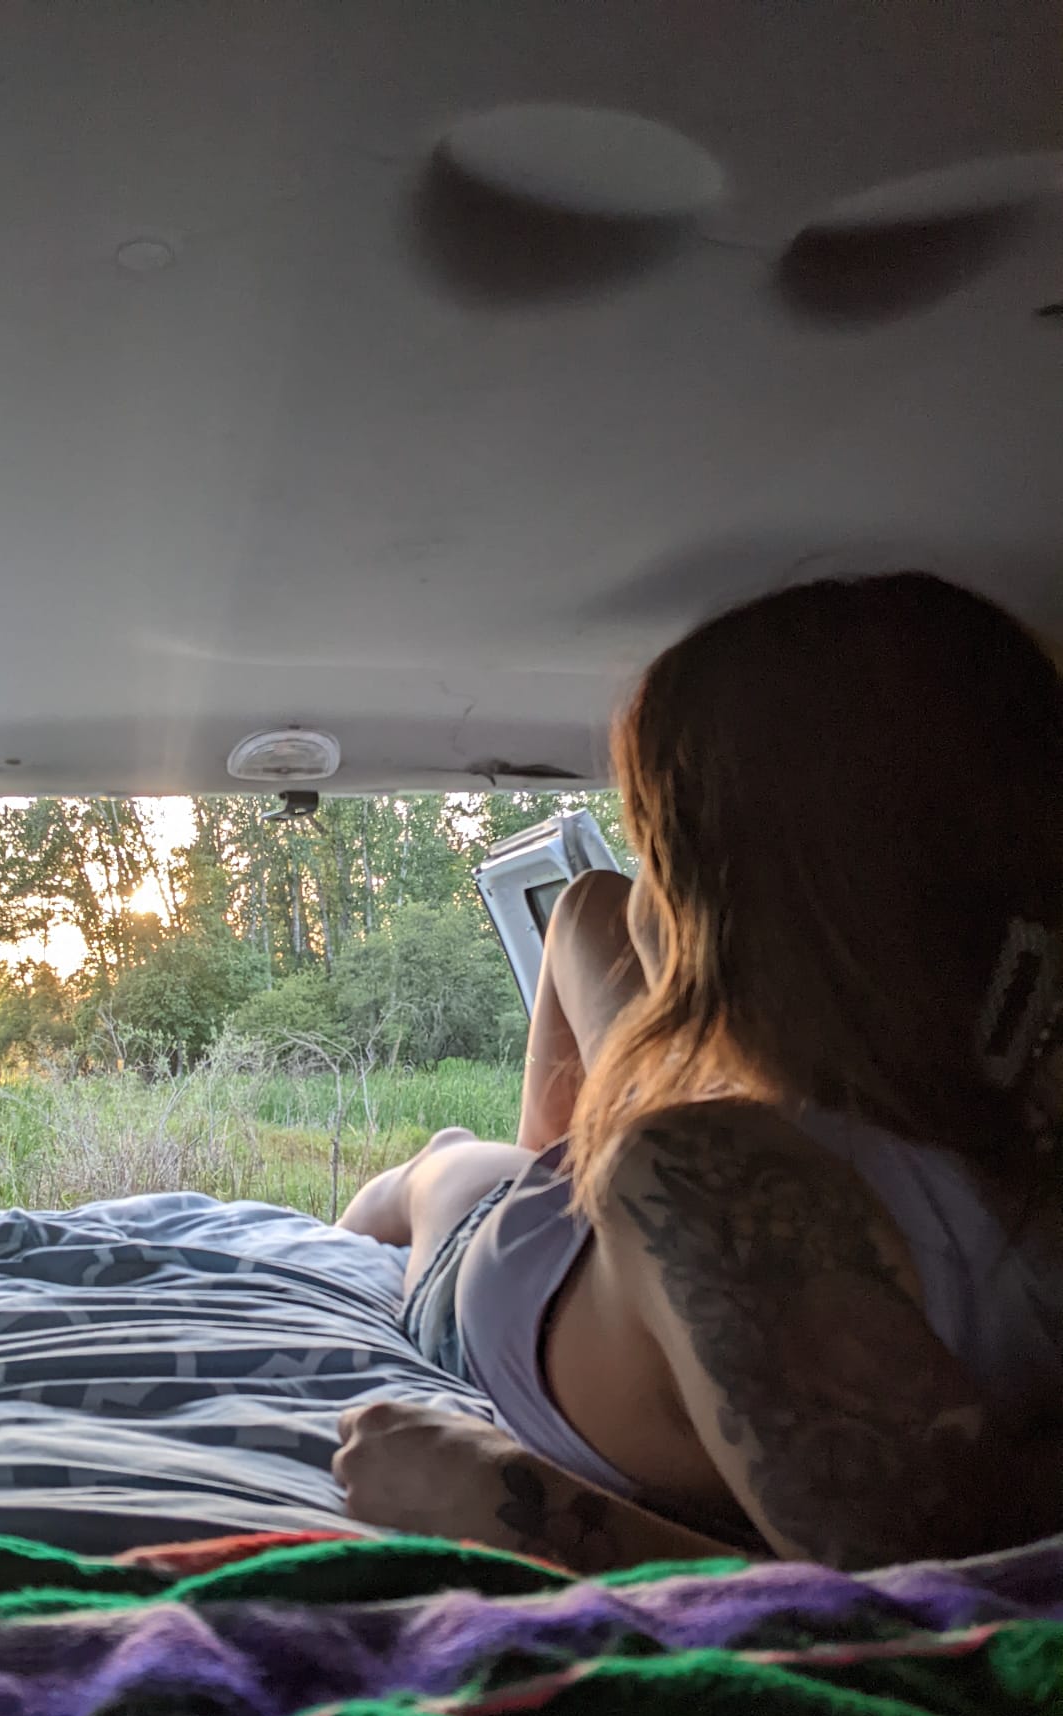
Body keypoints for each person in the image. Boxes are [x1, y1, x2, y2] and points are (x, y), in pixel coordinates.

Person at [335, 574, 1063, 1573]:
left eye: (662, 847)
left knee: (450, 1178)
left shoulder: (711, 1181)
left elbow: (934, 1614)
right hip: (611, 1191)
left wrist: (511, 1504)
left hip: (504, 1277)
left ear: (725, 896)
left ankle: (446, 1171)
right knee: (587, 916)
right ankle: (491, 1164)